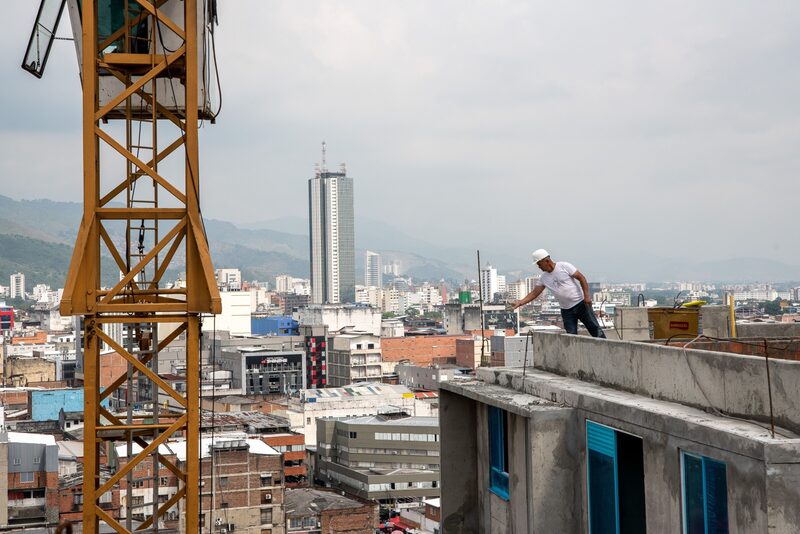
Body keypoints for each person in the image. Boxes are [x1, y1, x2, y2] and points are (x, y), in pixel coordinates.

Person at [511, 249, 606, 338]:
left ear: (546, 261)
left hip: (581, 304)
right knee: (571, 336)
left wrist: (586, 296)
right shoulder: (543, 278)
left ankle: (605, 349)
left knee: (594, 329)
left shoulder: (564, 266)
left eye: (539, 264)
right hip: (566, 310)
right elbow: (534, 293)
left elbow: (581, 278)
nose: (539, 267)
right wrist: (520, 302)